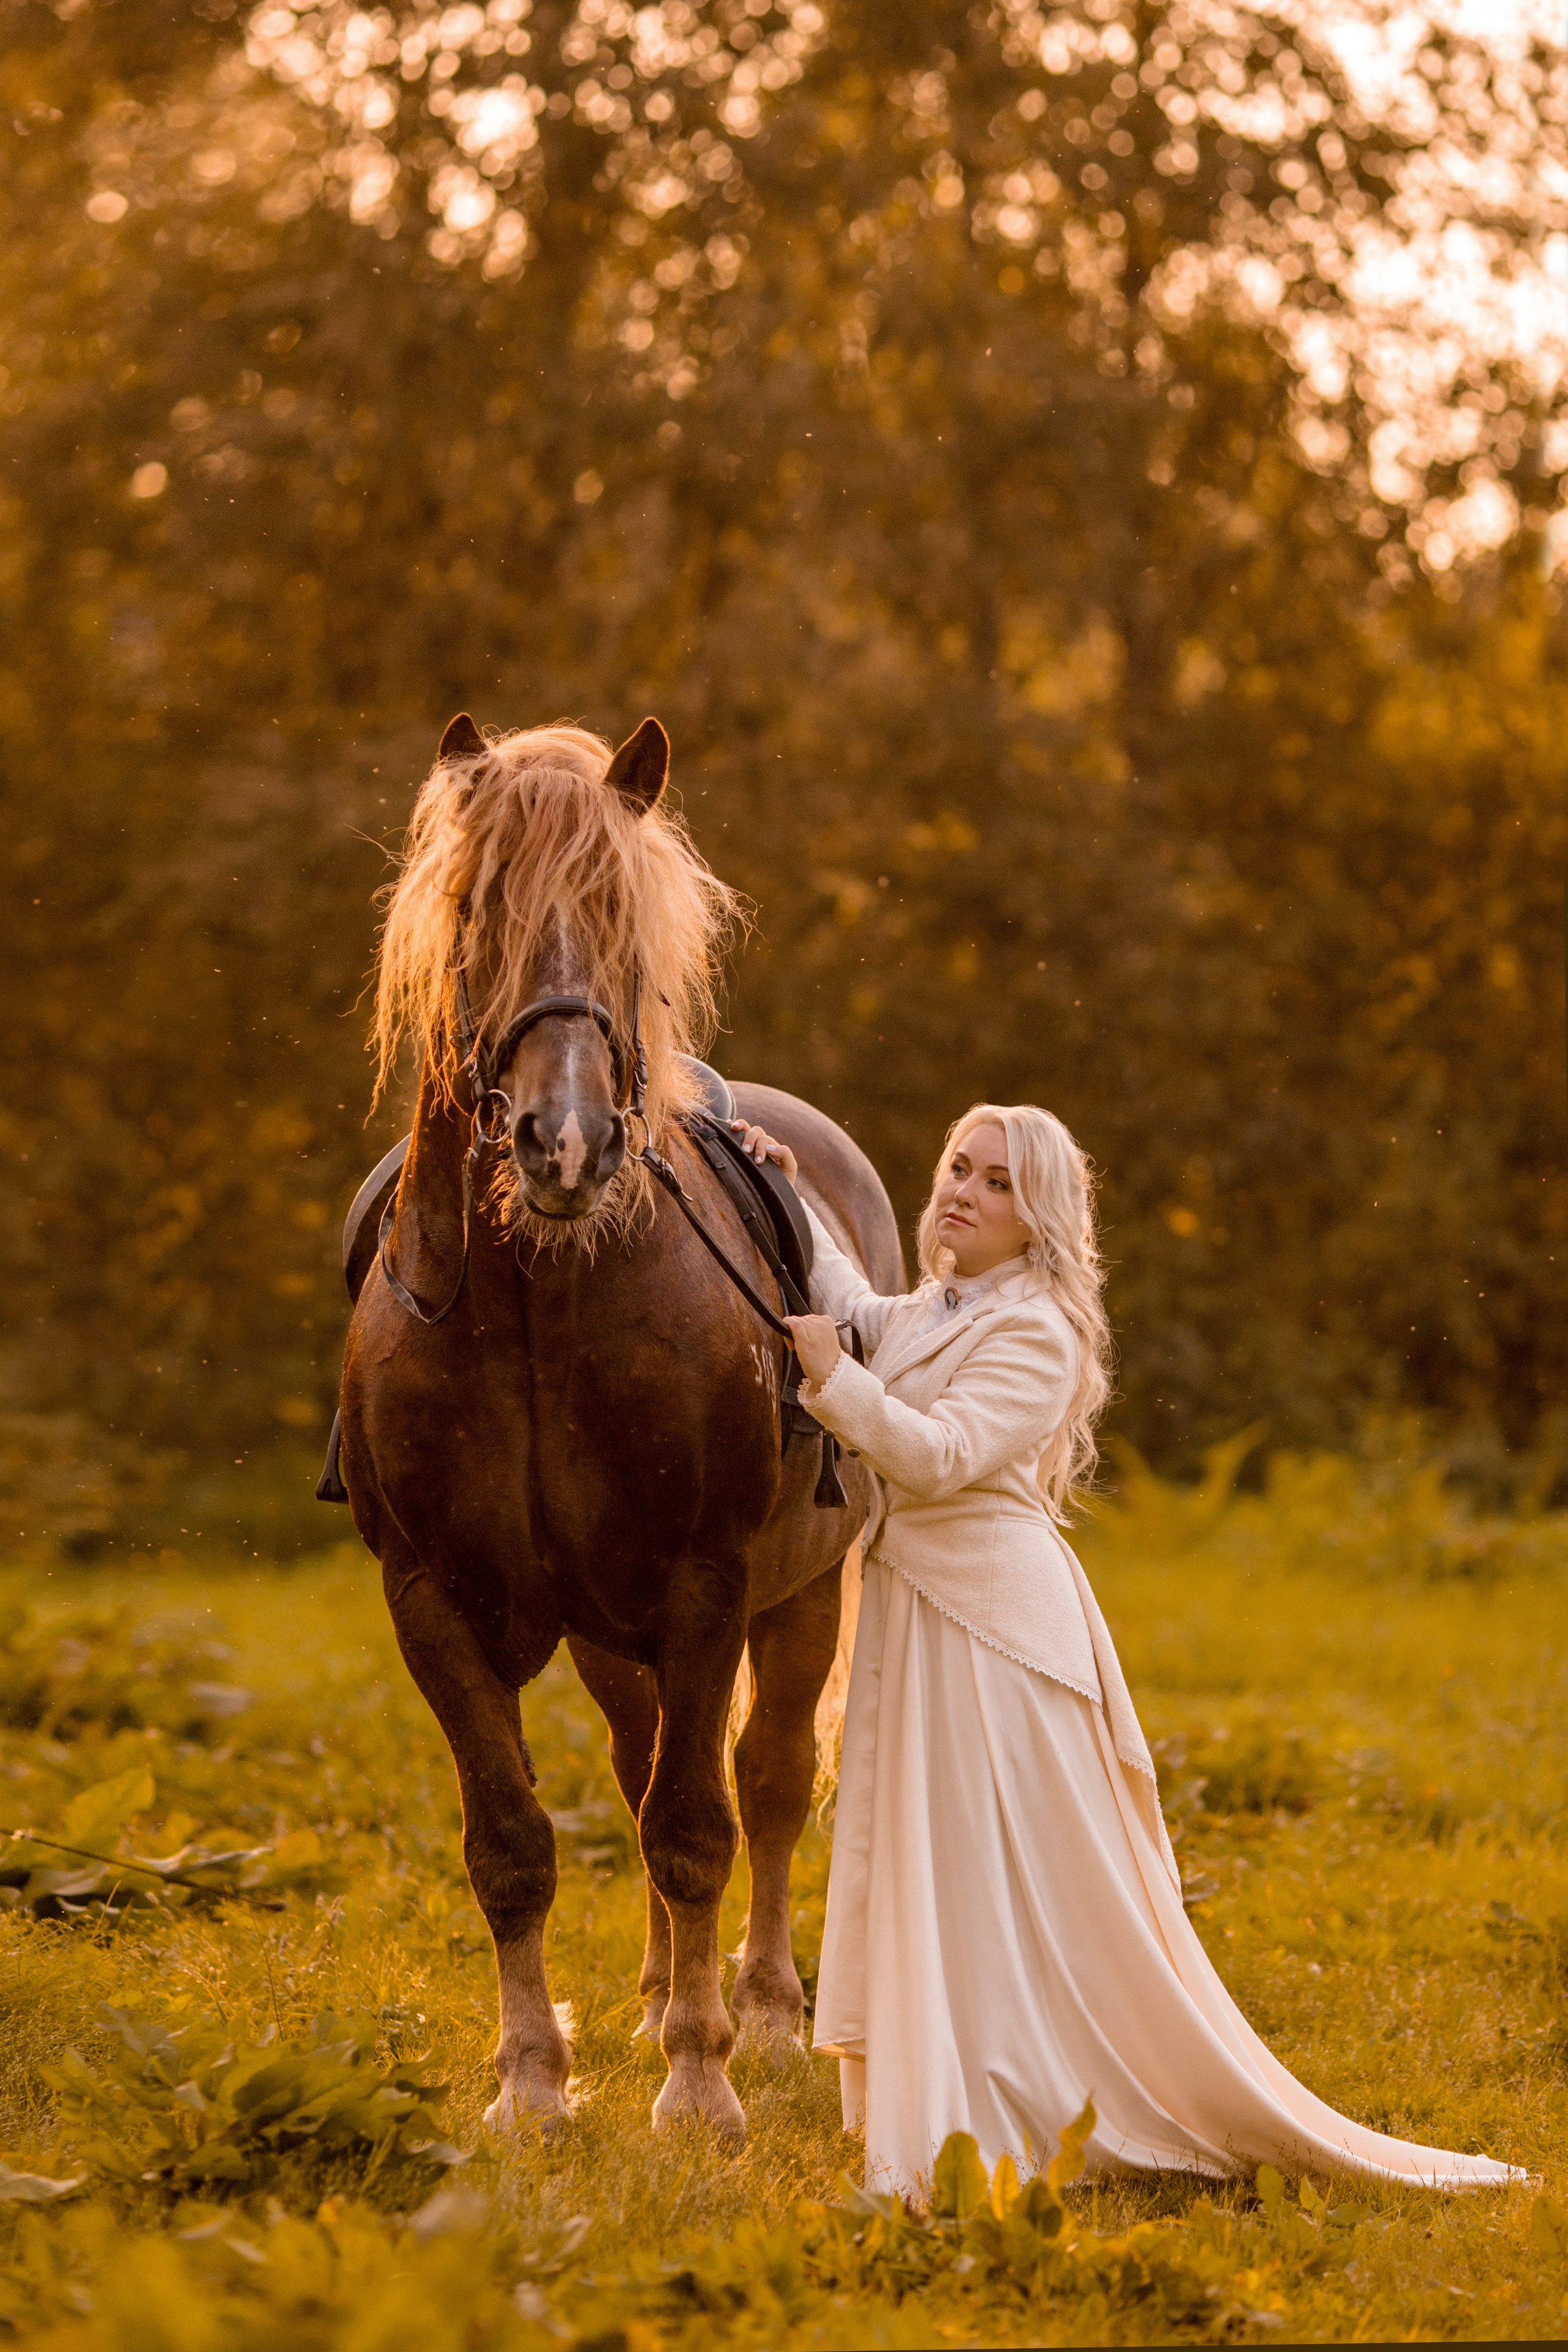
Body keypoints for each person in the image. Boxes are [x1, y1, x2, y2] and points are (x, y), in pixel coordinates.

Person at [733, 1102, 1520, 2194]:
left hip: (996, 1635)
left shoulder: (1037, 1331)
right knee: (944, 1867)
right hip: (924, 1618)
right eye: (959, 1167)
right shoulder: (940, 1306)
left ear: (1040, 1216)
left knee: (1009, 1878)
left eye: (999, 1183)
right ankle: (964, 2088)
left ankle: (1038, 2096)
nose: (964, 1192)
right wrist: (786, 1184)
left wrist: (834, 1381)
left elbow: (939, 1456)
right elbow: (856, 1307)